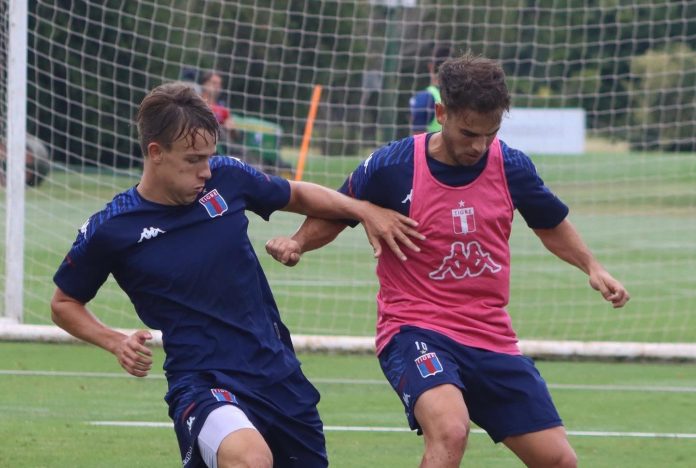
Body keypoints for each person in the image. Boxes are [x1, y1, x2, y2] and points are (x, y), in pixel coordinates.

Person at [266, 54, 630, 467]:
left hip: (491, 336)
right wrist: (297, 242)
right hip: (415, 327)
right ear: (441, 113)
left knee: (559, 461)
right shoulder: (395, 165)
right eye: (468, 132)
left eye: (489, 134)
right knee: (451, 429)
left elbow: (550, 223)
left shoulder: (511, 166)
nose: (478, 146)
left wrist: (593, 267)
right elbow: (340, 207)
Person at [50, 82, 422, 468]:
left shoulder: (226, 178)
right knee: (249, 459)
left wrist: (363, 210)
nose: (205, 170)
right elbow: (64, 302)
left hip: (278, 374)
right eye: (193, 159)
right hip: (202, 380)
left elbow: (297, 194)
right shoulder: (113, 227)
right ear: (156, 153)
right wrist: (114, 341)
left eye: (210, 157)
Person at [409, 46, 451, 134]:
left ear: (430, 66)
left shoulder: (425, 97)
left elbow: (418, 139)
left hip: (432, 147)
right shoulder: (461, 97)